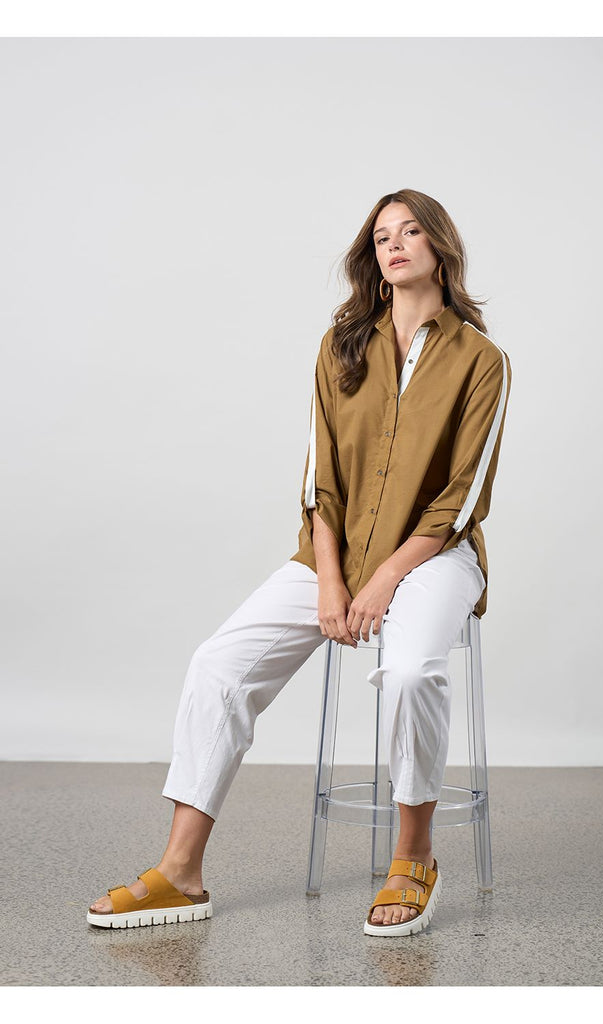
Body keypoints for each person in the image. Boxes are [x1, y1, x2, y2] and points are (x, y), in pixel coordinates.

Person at [87, 188, 512, 937]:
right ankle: (181, 873)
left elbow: (460, 497)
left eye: (411, 230)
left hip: (438, 557)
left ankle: (414, 857)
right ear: (371, 257)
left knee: (410, 670)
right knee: (218, 664)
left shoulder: (482, 361)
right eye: (382, 235)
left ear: (440, 246)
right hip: (336, 552)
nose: (395, 243)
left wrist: (381, 581)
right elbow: (318, 481)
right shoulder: (340, 346)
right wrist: (333, 580)